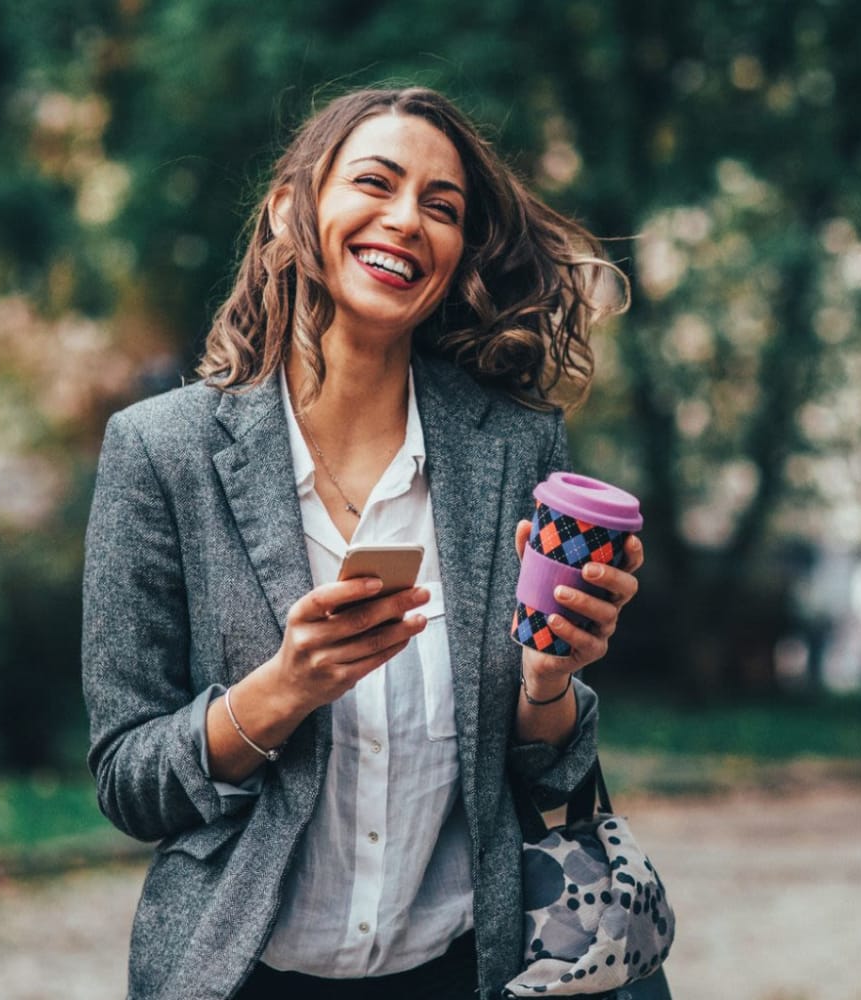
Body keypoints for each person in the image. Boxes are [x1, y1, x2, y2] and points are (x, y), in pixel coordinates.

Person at [82, 86, 644, 1000]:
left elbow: (548, 766)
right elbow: (129, 782)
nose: (406, 220)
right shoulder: (161, 452)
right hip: (244, 977)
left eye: (441, 206)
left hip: (462, 969)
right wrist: (280, 691)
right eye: (374, 183)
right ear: (288, 208)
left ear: (458, 251)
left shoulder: (514, 448)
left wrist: (550, 683)